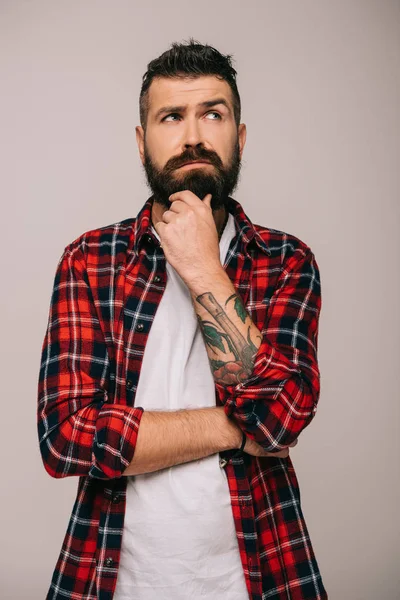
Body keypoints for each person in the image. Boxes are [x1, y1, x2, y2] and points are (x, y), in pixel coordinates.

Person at [37, 38, 328, 600]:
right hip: (110, 579)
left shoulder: (287, 261)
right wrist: (234, 428)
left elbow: (282, 418)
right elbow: (67, 438)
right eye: (172, 116)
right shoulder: (90, 261)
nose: (193, 135)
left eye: (212, 114)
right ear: (143, 142)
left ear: (239, 137)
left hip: (261, 573)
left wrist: (203, 270)